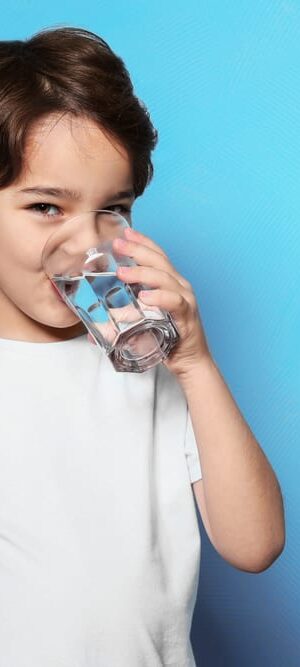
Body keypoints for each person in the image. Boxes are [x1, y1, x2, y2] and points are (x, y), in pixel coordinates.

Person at [0, 26, 285, 666]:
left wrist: (197, 364)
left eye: (113, 208)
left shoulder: (150, 357)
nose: (84, 241)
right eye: (47, 206)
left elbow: (256, 545)